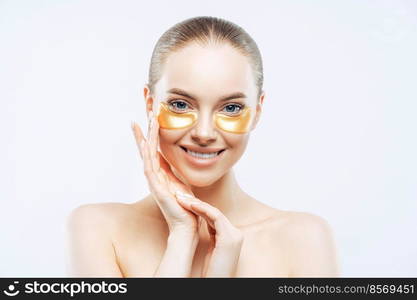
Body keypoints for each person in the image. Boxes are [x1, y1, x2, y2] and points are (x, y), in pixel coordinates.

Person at [66, 16, 340, 277]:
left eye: (231, 108)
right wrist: (182, 235)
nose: (204, 133)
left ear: (257, 111)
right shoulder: (97, 229)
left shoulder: (305, 240)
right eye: (180, 105)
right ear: (150, 104)